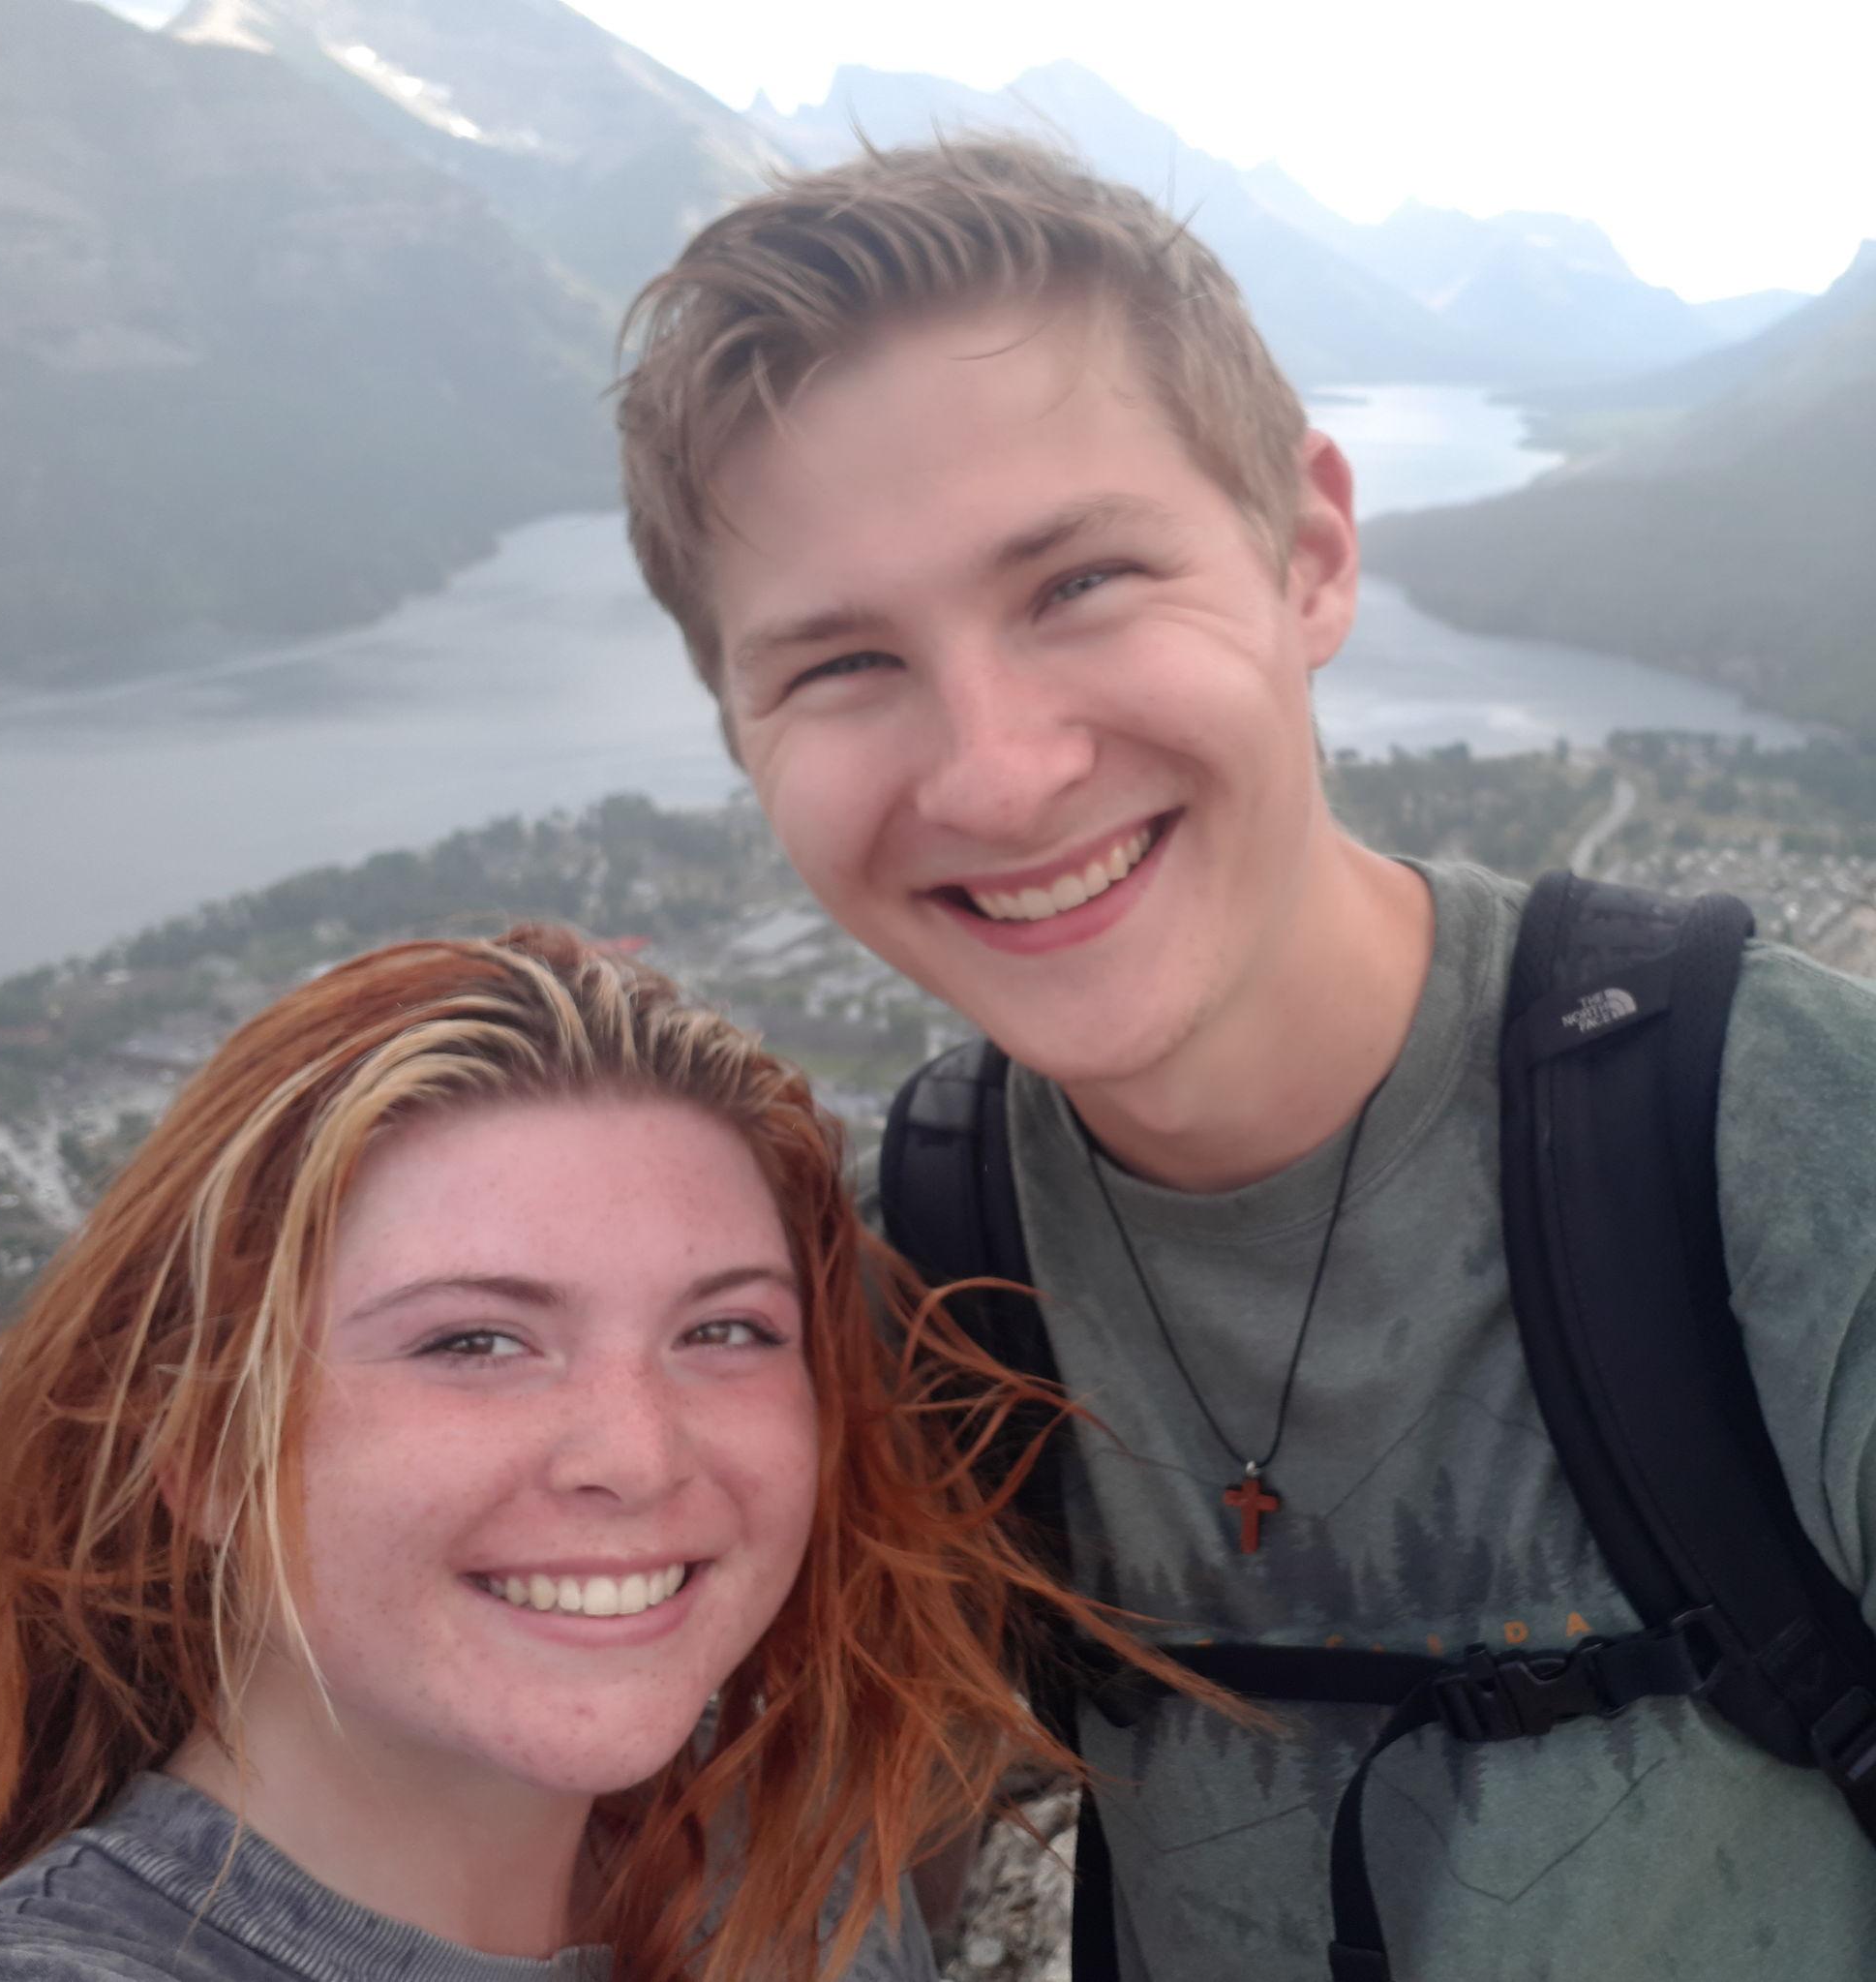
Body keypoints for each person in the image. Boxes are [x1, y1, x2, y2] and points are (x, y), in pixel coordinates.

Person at [614, 139, 1876, 1978]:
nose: (995, 771)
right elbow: (790, 1881)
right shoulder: (921, 1288)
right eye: (839, 665)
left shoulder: (1785, 1163)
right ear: (741, 733)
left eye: (1081, 581)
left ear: (1310, 556)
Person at [0, 924, 1213, 1982]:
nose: (637, 1455)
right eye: (472, 1342)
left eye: (726, 1328)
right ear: (200, 1453)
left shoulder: (798, 1895)